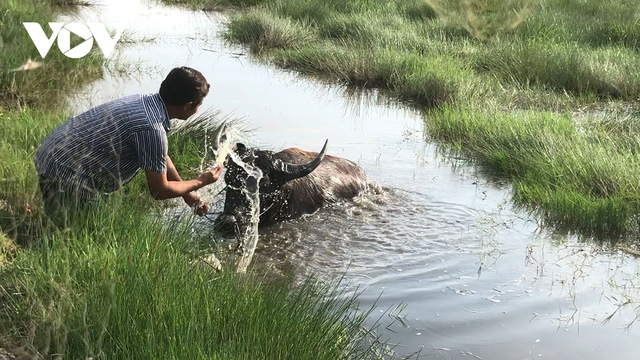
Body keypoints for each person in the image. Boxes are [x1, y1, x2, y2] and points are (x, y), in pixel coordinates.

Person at [34, 66, 222, 222]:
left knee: (69, 219)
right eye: (199, 105)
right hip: (65, 174)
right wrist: (201, 181)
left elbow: (159, 155)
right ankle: (45, 230)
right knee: (92, 235)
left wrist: (189, 196)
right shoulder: (152, 128)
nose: (197, 109)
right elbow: (159, 191)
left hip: (53, 156)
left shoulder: (145, 102)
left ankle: (50, 218)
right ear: (188, 105)